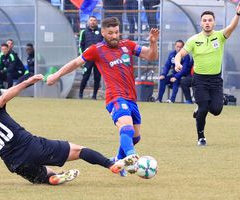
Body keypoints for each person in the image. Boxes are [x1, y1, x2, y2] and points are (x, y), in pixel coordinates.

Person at [0, 74, 129, 186]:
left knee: (44, 175)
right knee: (78, 150)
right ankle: (110, 164)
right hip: (32, 146)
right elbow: (9, 94)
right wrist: (29, 81)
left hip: (15, 164)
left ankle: (51, 177)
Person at [47, 17, 159, 176]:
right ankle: (131, 158)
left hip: (131, 98)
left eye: (117, 32)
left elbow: (151, 56)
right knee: (126, 128)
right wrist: (56, 75)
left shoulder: (127, 45)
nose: (114, 36)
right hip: (115, 97)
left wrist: (153, 43)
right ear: (104, 33)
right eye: (111, 33)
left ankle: (118, 160)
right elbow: (75, 63)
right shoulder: (96, 49)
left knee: (135, 136)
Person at [175, 2, 240, 146]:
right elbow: (180, 54)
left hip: (216, 80)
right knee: (204, 109)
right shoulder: (194, 40)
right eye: (204, 20)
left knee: (216, 110)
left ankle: (199, 107)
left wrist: (237, 14)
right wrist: (177, 63)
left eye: (210, 20)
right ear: (201, 23)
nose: (207, 23)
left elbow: (231, 27)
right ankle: (201, 137)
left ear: (214, 22)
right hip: (199, 80)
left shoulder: (220, 36)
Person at [79, 16, 104, 99]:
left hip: (98, 59)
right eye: (91, 20)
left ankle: (94, 96)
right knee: (85, 76)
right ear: (88, 22)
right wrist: (83, 57)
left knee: (97, 77)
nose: (93, 22)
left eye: (94, 20)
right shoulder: (84, 32)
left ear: (96, 22)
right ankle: (80, 94)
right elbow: (81, 45)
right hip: (88, 59)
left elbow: (104, 44)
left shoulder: (101, 32)